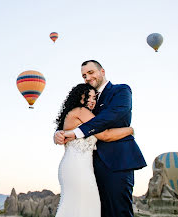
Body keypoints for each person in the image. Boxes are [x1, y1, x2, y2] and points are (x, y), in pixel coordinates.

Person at [54, 60, 146, 217]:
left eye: (91, 72)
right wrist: (59, 132)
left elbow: (111, 116)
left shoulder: (121, 90)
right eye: (84, 75)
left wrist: (77, 132)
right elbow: (73, 116)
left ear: (102, 71)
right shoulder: (86, 100)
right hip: (89, 166)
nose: (88, 77)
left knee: (118, 210)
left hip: (116, 161)